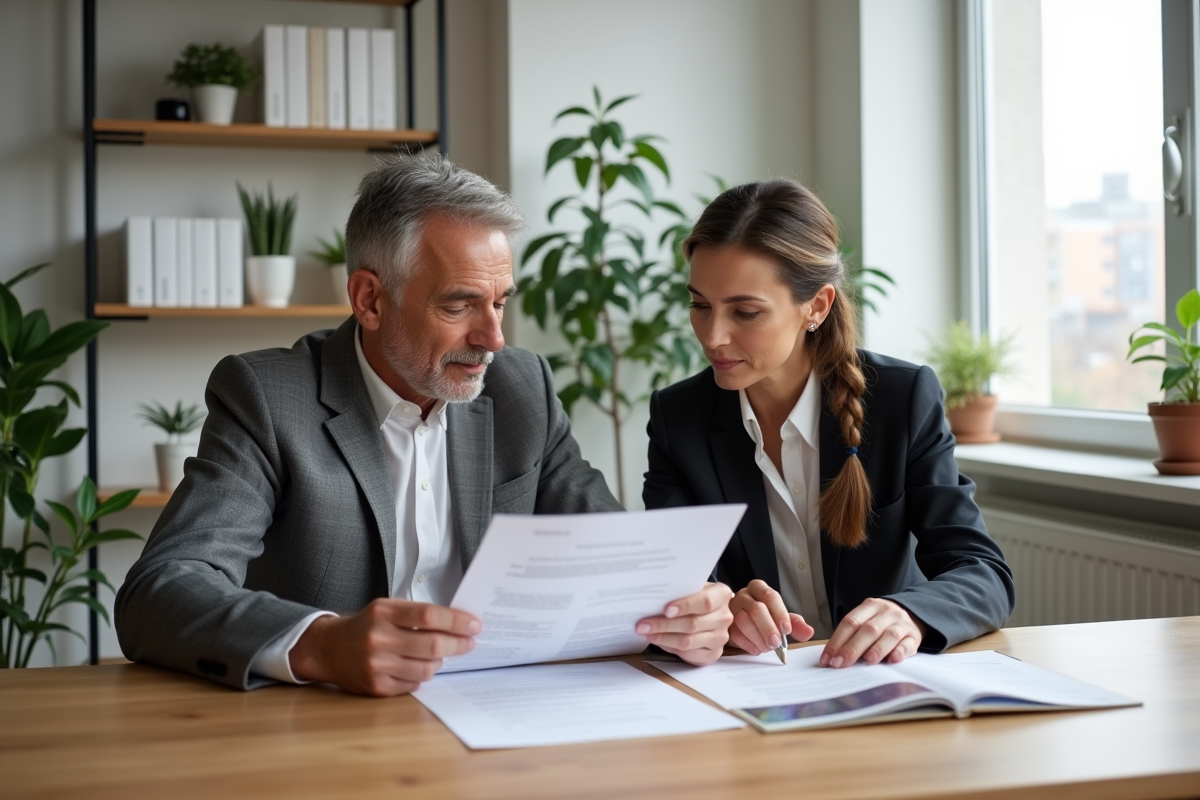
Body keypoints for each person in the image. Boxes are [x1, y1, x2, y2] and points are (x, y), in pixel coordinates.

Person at [116, 156, 733, 696]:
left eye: (500, 303)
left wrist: (691, 609)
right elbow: (161, 590)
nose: (493, 338)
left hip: (505, 713)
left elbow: (617, 559)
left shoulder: (523, 389)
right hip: (331, 732)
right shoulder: (269, 398)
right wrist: (322, 645)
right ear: (370, 300)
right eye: (458, 304)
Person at [643, 178, 1014, 669]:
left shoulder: (902, 399)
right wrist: (717, 610)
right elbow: (668, 584)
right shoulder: (679, 418)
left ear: (816, 306)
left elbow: (983, 572)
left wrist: (909, 614)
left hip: (875, 684)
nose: (713, 336)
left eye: (746, 312)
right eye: (700, 305)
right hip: (751, 690)